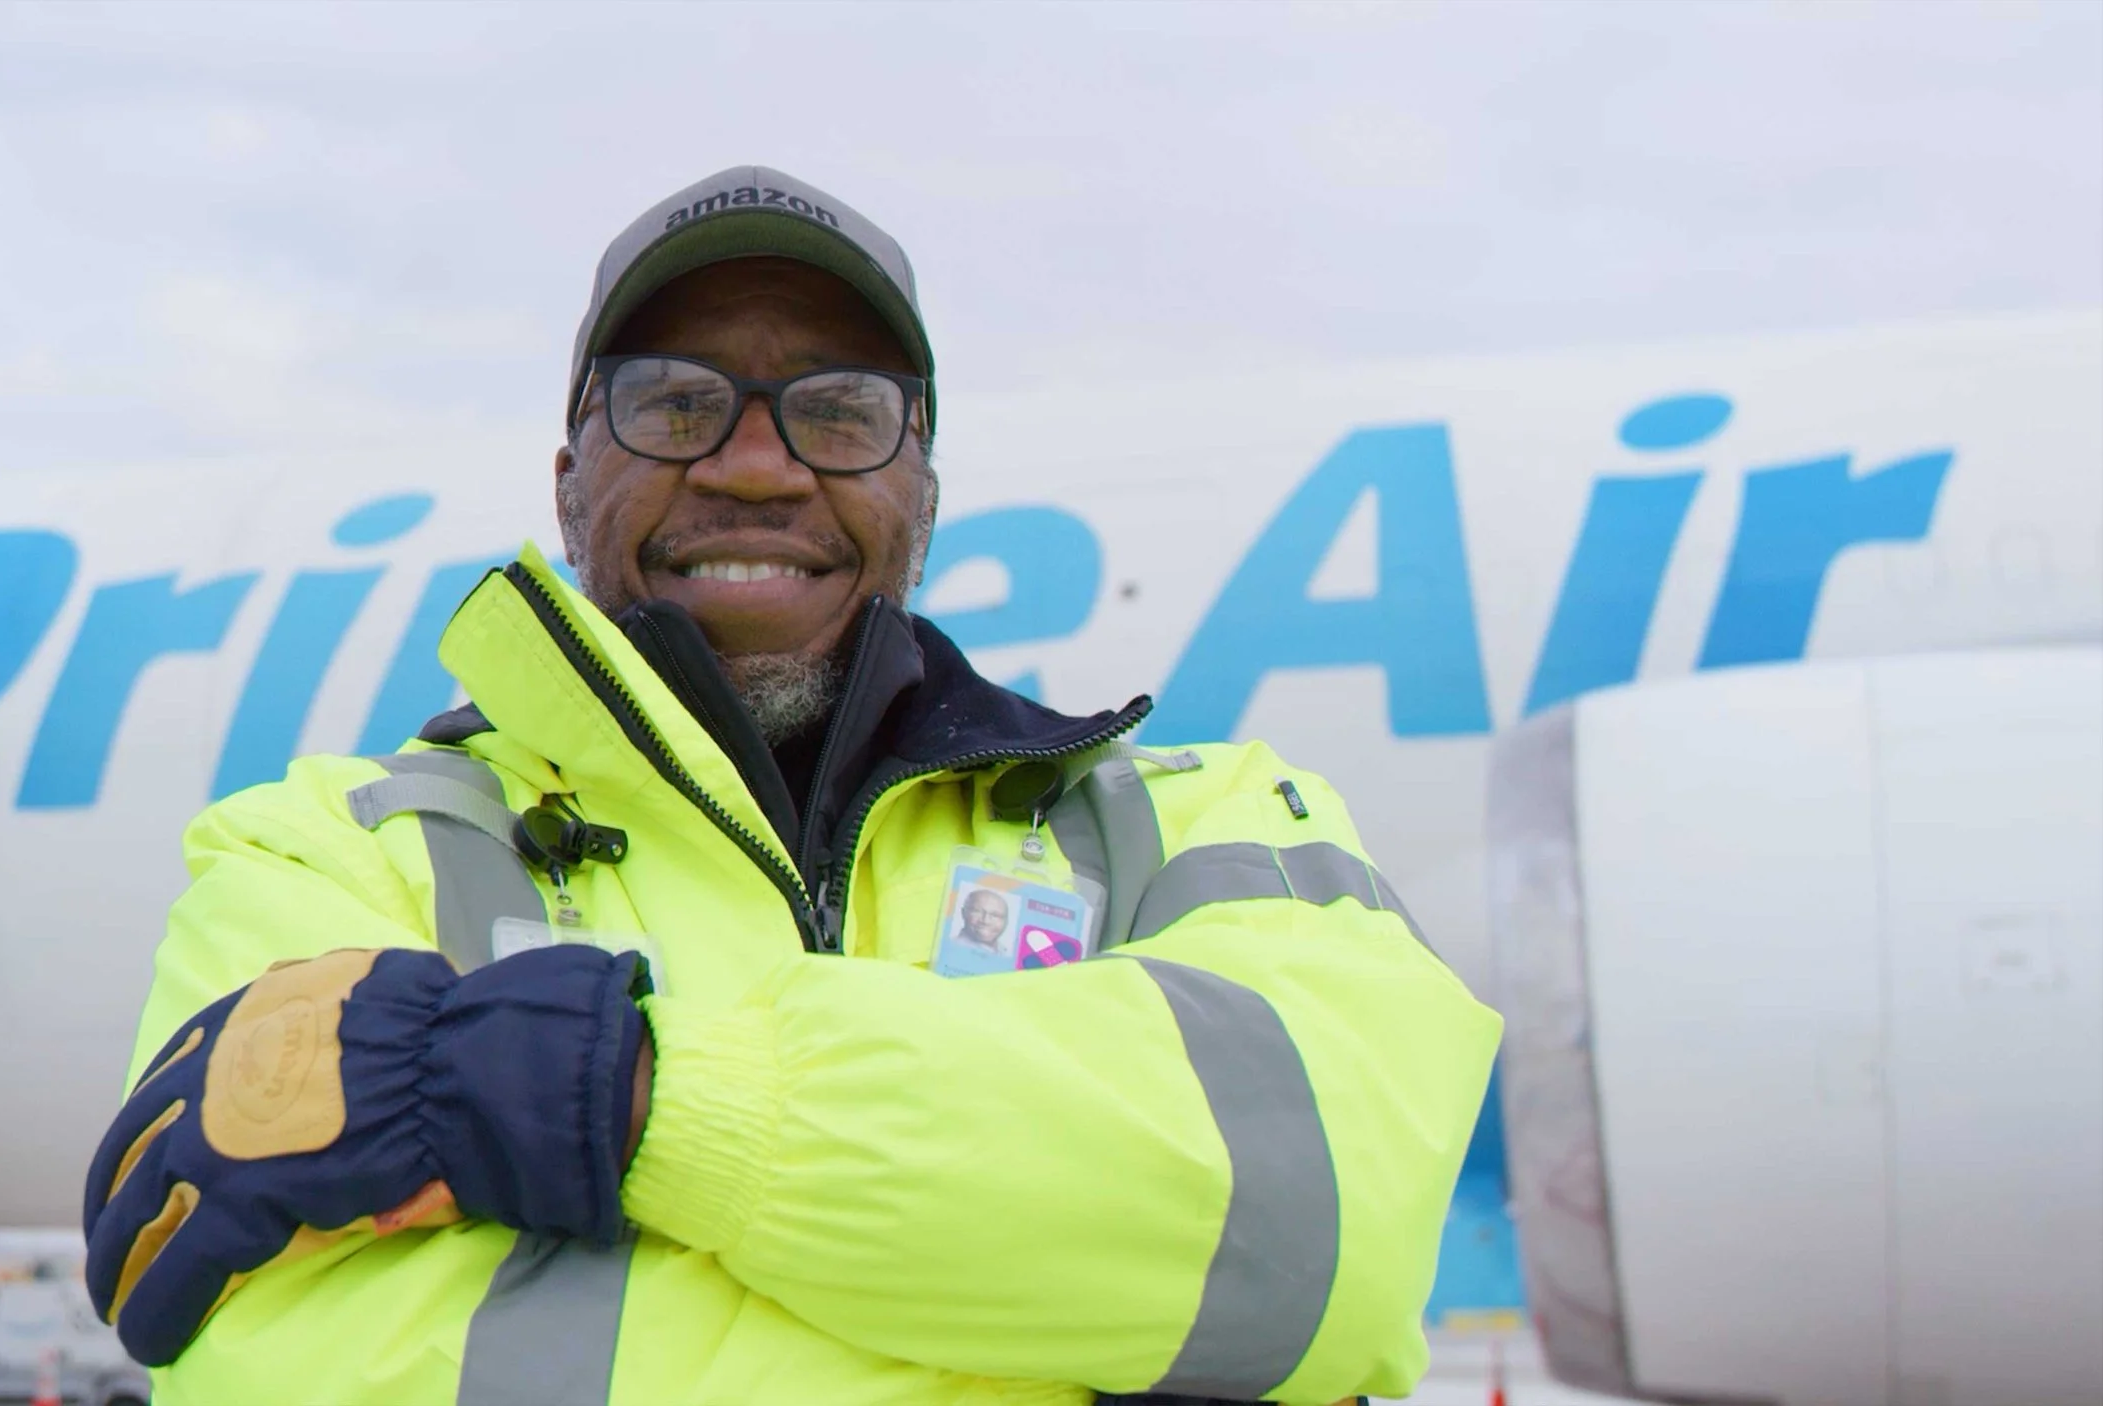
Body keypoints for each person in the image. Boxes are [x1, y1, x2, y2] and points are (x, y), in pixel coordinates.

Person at [81, 165, 1500, 1406]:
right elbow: (290, 1370)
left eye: (839, 409)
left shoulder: (1199, 825)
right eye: (676, 401)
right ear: (571, 477)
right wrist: (1082, 1319)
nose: (757, 468)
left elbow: (1322, 1248)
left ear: (922, 490)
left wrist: (631, 1096)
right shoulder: (329, 853)